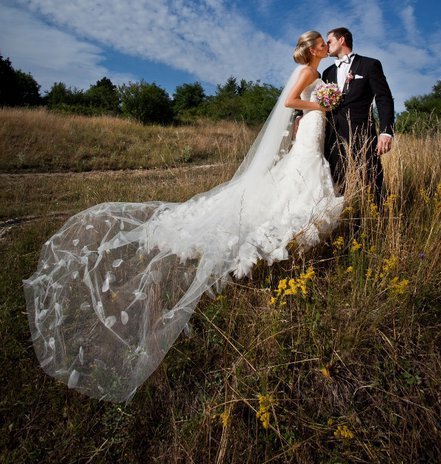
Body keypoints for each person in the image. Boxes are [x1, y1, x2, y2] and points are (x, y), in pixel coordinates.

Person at [23, 31, 343, 403]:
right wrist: (321, 107)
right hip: (310, 132)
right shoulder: (308, 72)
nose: (324, 46)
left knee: (297, 181)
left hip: (311, 137)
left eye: (325, 43)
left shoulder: (317, 73)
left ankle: (295, 242)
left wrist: (317, 110)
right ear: (313, 48)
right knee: (295, 185)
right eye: (321, 43)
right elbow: (291, 101)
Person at [322, 27, 394, 201]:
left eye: (329, 41)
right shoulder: (327, 73)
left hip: (361, 133)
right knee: (336, 178)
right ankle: (344, 218)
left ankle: (375, 215)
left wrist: (386, 131)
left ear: (342, 40)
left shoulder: (370, 64)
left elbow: (384, 98)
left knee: (370, 175)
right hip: (333, 135)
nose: (326, 45)